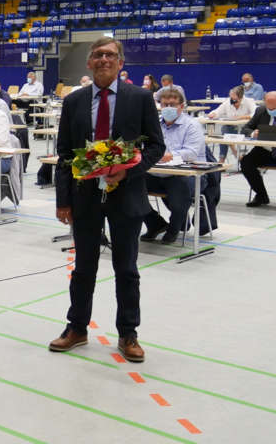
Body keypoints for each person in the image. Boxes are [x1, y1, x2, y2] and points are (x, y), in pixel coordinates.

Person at [50, 37, 165, 363]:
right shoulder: (74, 102)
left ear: (120, 63)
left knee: (126, 268)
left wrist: (128, 172)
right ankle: (77, 328)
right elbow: (63, 155)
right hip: (84, 195)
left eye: (110, 55)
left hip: (126, 194)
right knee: (83, 268)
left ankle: (128, 334)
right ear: (89, 62)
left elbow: (156, 146)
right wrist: (63, 200)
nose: (103, 59)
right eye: (98, 55)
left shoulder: (140, 98)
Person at [140, 88, 206, 243]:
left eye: (173, 104)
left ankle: (174, 227)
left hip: (185, 174)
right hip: (157, 172)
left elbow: (192, 153)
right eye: (165, 104)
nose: (168, 107)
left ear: (181, 106)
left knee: (179, 193)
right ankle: (155, 223)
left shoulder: (192, 125)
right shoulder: (154, 124)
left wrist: (171, 155)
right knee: (129, 185)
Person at [240, 90, 276, 207]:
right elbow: (245, 128)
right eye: (268, 107)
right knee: (246, 162)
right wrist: (253, 133)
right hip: (264, 151)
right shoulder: (261, 110)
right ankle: (261, 195)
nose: (270, 110)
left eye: (274, 108)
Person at [208, 85, 255, 163]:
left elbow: (256, 113)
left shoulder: (249, 101)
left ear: (241, 98)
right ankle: (225, 157)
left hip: (245, 128)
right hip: (231, 127)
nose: (232, 101)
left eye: (234, 99)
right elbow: (218, 111)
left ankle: (232, 154)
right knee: (225, 130)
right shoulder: (227, 102)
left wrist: (242, 117)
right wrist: (213, 114)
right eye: (231, 98)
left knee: (226, 133)